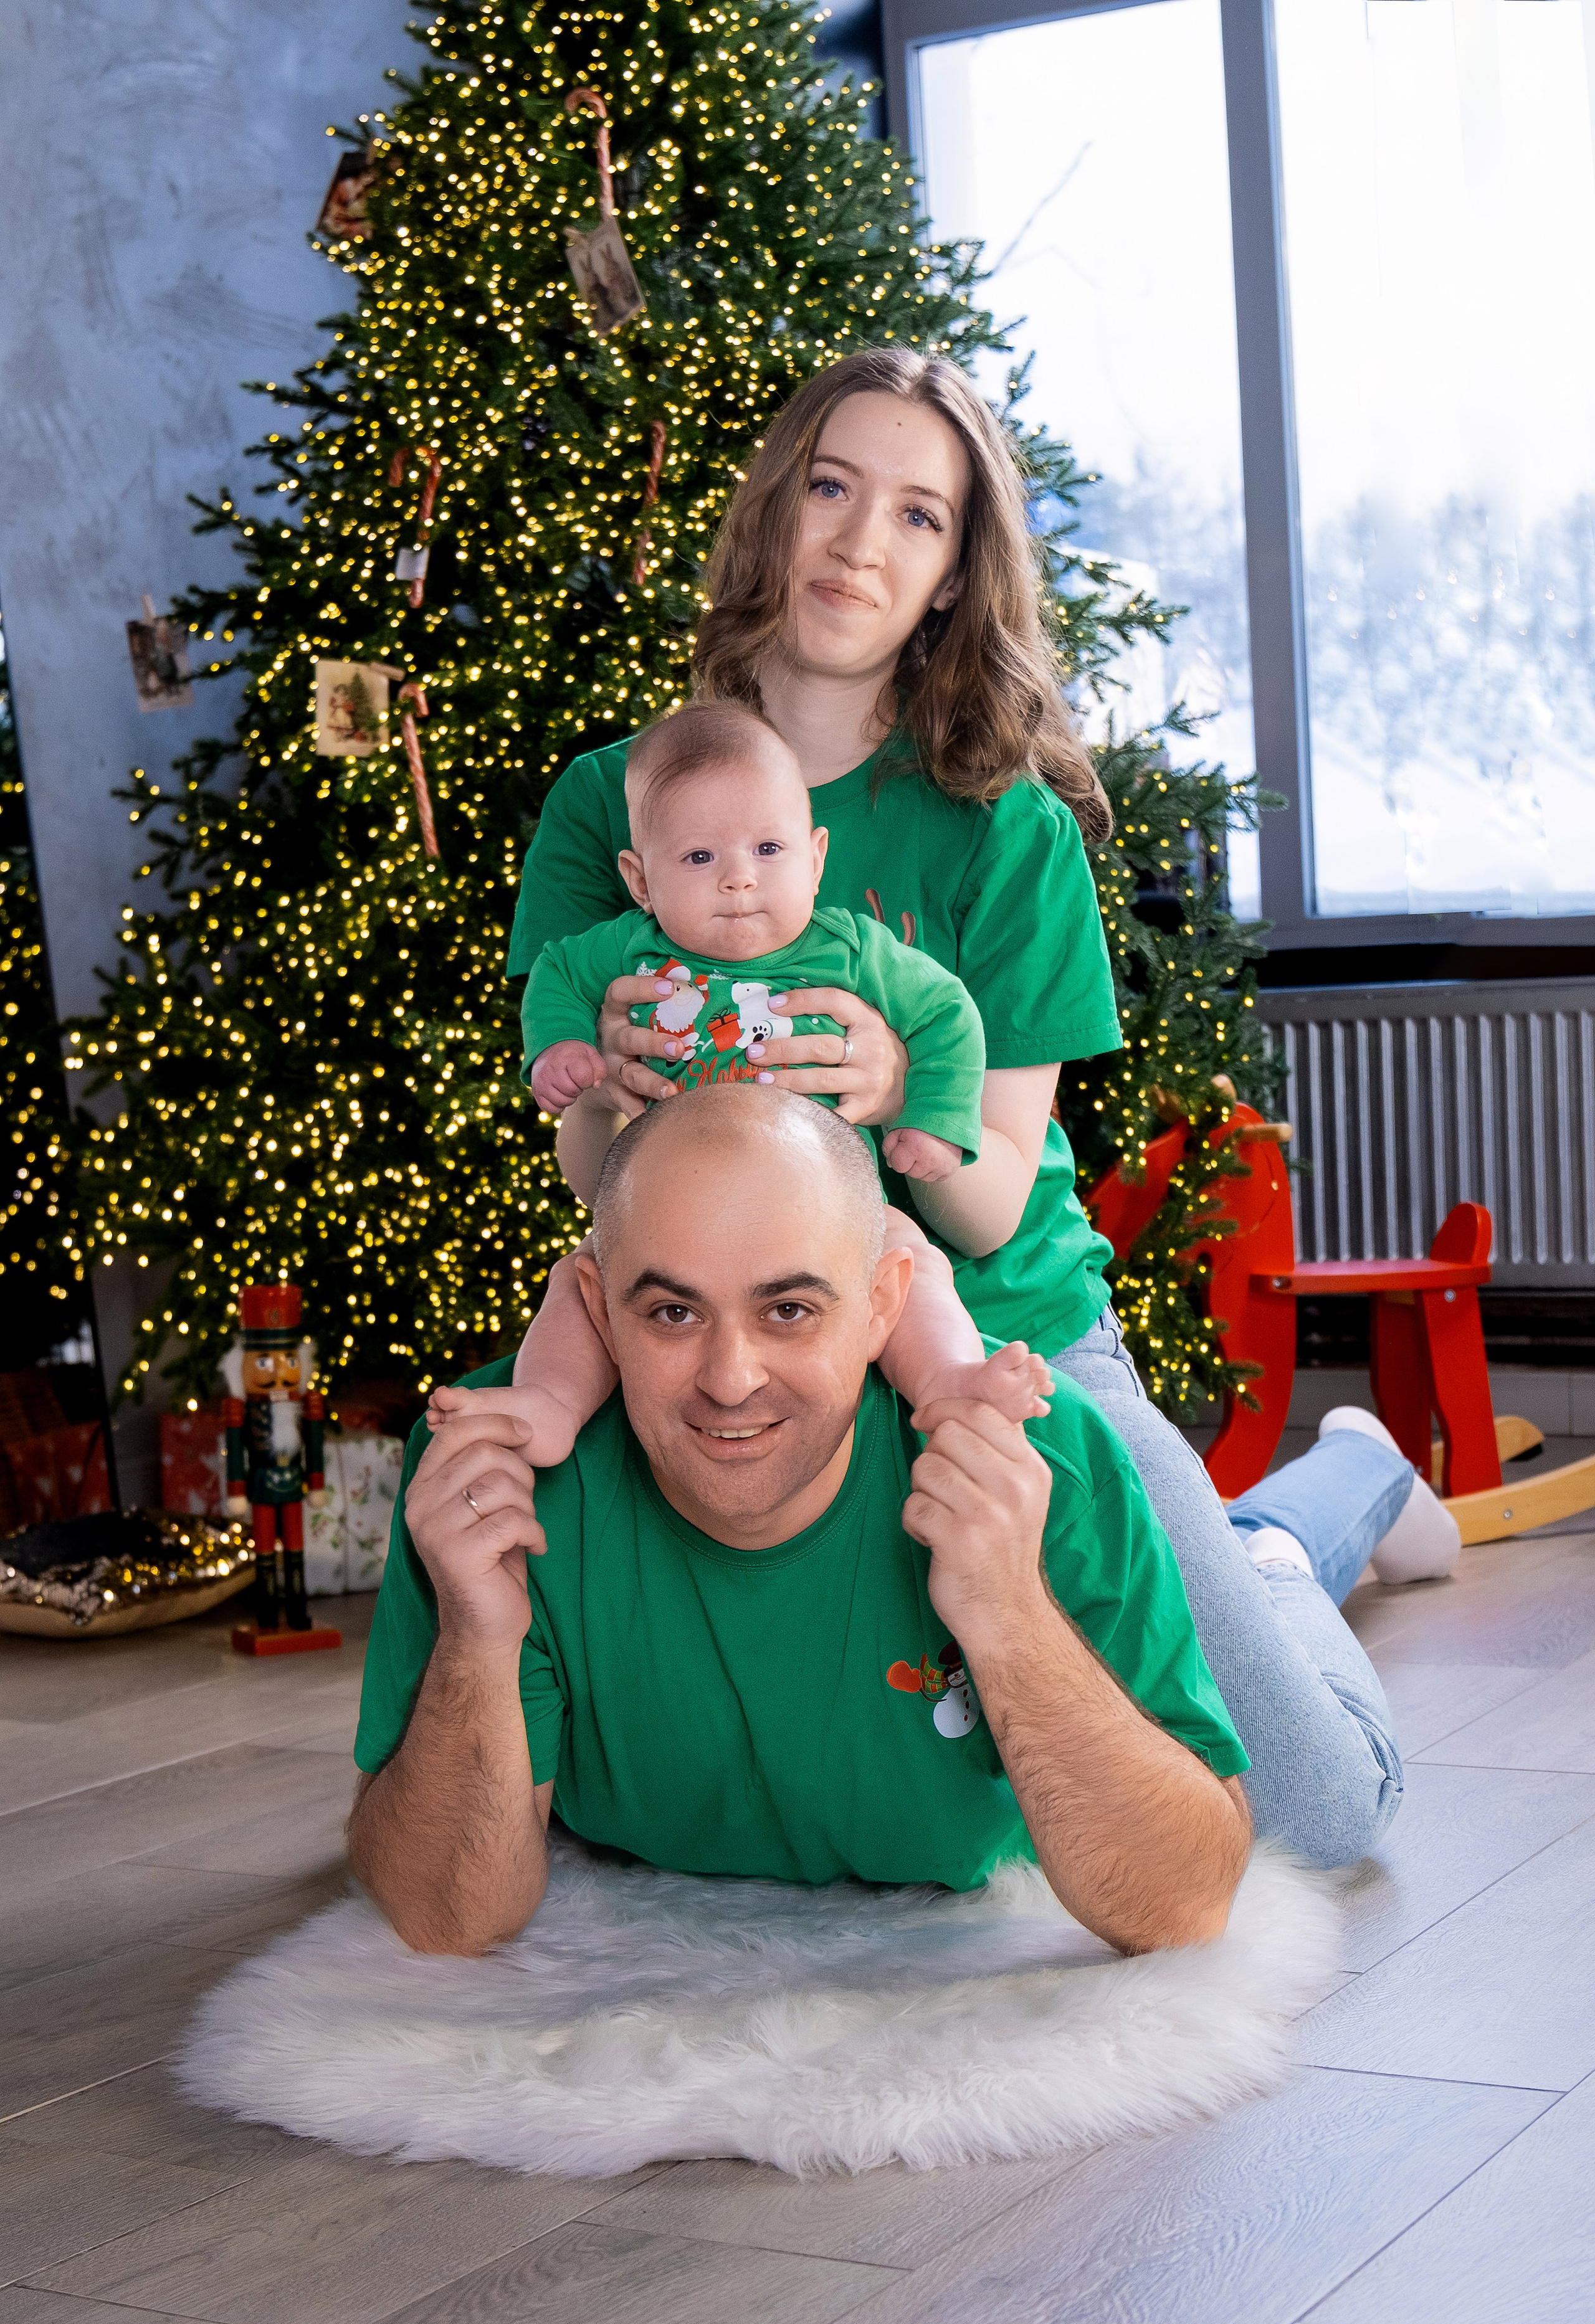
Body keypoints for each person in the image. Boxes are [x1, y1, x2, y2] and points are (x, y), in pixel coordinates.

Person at [493, 344, 1423, 1868]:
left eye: (917, 516)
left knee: (1318, 1813)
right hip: (750, 1350)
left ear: (949, 573)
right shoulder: (619, 802)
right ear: (772, 508)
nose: (861, 540)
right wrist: (617, 1093)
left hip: (999, 1334)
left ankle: (1299, 1515)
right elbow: (589, 1173)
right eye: (832, 487)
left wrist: (890, 1085)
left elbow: (993, 1196)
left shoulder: (1007, 829)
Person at [350, 1087, 1254, 1958]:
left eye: (789, 1311)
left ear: (882, 1306)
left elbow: (1181, 1905)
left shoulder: (1041, 1455)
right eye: (672, 1313)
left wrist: (1011, 1611)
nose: (730, 1378)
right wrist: (475, 1636)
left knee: (1332, 1789)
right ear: (597, 1311)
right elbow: (446, 1920)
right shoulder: (490, 1461)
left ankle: (1294, 1533)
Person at [502, 694, 1054, 1473]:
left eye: (768, 850)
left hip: (830, 1216)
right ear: (640, 878)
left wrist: (927, 1113)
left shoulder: (852, 951)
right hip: (675, 1221)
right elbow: (555, 973)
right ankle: (548, 1406)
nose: (738, 880)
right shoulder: (626, 951)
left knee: (909, 1263)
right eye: (699, 859)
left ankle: (950, 1381)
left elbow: (946, 1013)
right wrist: (562, 1049)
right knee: (585, 1282)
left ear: (817, 856)